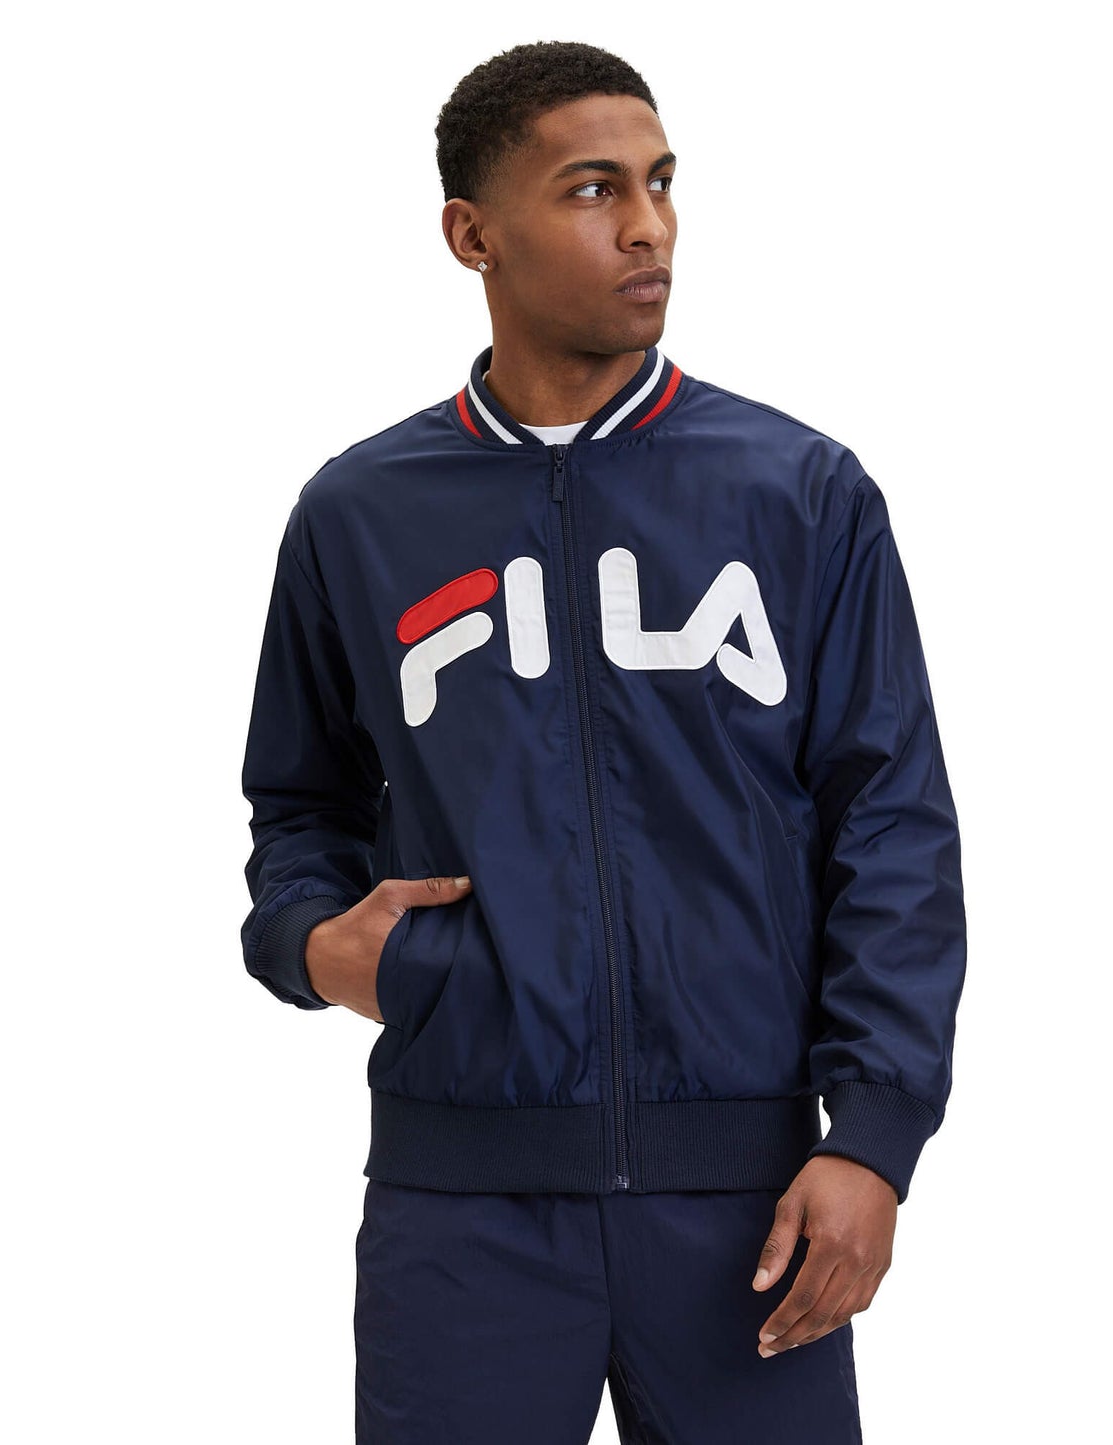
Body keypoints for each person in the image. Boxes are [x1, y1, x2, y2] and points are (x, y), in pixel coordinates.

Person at [239, 39, 967, 1444]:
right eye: (591, 190)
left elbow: (891, 825)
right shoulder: (360, 513)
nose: (647, 227)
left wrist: (874, 1137)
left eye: (661, 183)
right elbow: (298, 799)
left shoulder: (800, 492)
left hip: (751, 1206)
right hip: (461, 1212)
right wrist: (310, 943)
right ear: (473, 235)